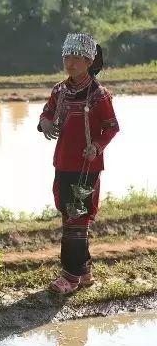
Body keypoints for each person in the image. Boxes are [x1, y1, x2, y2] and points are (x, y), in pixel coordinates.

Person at [38, 33, 119, 294]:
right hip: (63, 161)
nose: (69, 63)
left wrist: (96, 146)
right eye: (66, 57)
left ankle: (70, 277)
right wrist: (45, 123)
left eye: (75, 59)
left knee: (76, 219)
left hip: (86, 166)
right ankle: (84, 272)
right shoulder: (59, 90)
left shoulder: (99, 95)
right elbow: (46, 114)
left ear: (88, 61)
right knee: (70, 215)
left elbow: (111, 128)